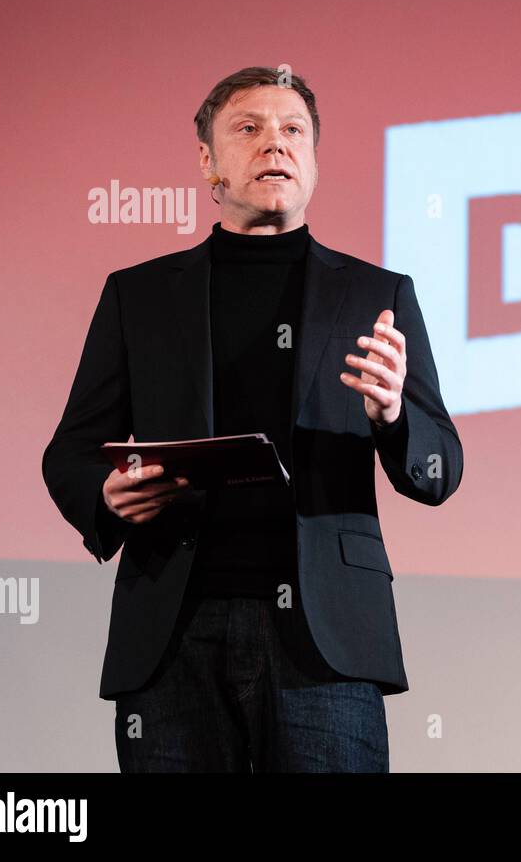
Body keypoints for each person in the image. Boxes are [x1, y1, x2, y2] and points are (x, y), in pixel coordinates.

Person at [41, 66, 463, 772]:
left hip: (326, 640)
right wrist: (105, 494)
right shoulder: (139, 296)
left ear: (316, 160)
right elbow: (71, 454)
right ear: (207, 162)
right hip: (174, 634)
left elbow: (439, 468)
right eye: (250, 128)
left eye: (294, 130)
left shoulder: (377, 293)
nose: (276, 144)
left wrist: (392, 415)